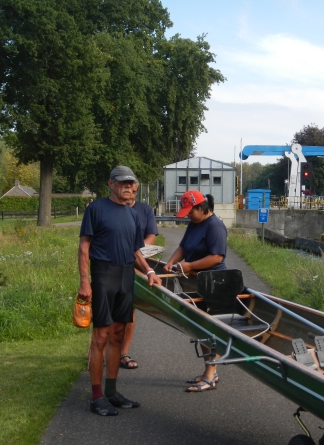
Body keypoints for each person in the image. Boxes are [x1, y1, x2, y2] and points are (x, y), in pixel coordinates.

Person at [78, 166, 162, 416]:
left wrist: (148, 271)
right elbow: (84, 247)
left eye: (131, 182)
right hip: (104, 275)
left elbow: (136, 251)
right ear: (111, 184)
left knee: (117, 334)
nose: (128, 186)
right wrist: (84, 281)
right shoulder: (96, 209)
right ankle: (96, 396)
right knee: (101, 336)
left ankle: (112, 392)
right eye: (123, 182)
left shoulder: (133, 214)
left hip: (126, 276)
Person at [163, 190, 227, 392]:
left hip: (212, 283)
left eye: (190, 212)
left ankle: (210, 374)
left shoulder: (215, 226)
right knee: (198, 326)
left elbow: (217, 257)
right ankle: (209, 371)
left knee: (206, 328)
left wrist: (190, 266)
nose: (188, 216)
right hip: (195, 281)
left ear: (201, 208)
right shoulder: (195, 223)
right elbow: (183, 246)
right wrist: (172, 261)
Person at [119, 183, 158, 369]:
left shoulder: (145, 210)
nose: (131, 194)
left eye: (134, 191)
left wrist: (138, 253)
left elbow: (151, 236)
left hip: (136, 265)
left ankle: (122, 353)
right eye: (128, 190)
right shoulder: (108, 209)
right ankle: (99, 352)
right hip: (113, 266)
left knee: (130, 309)